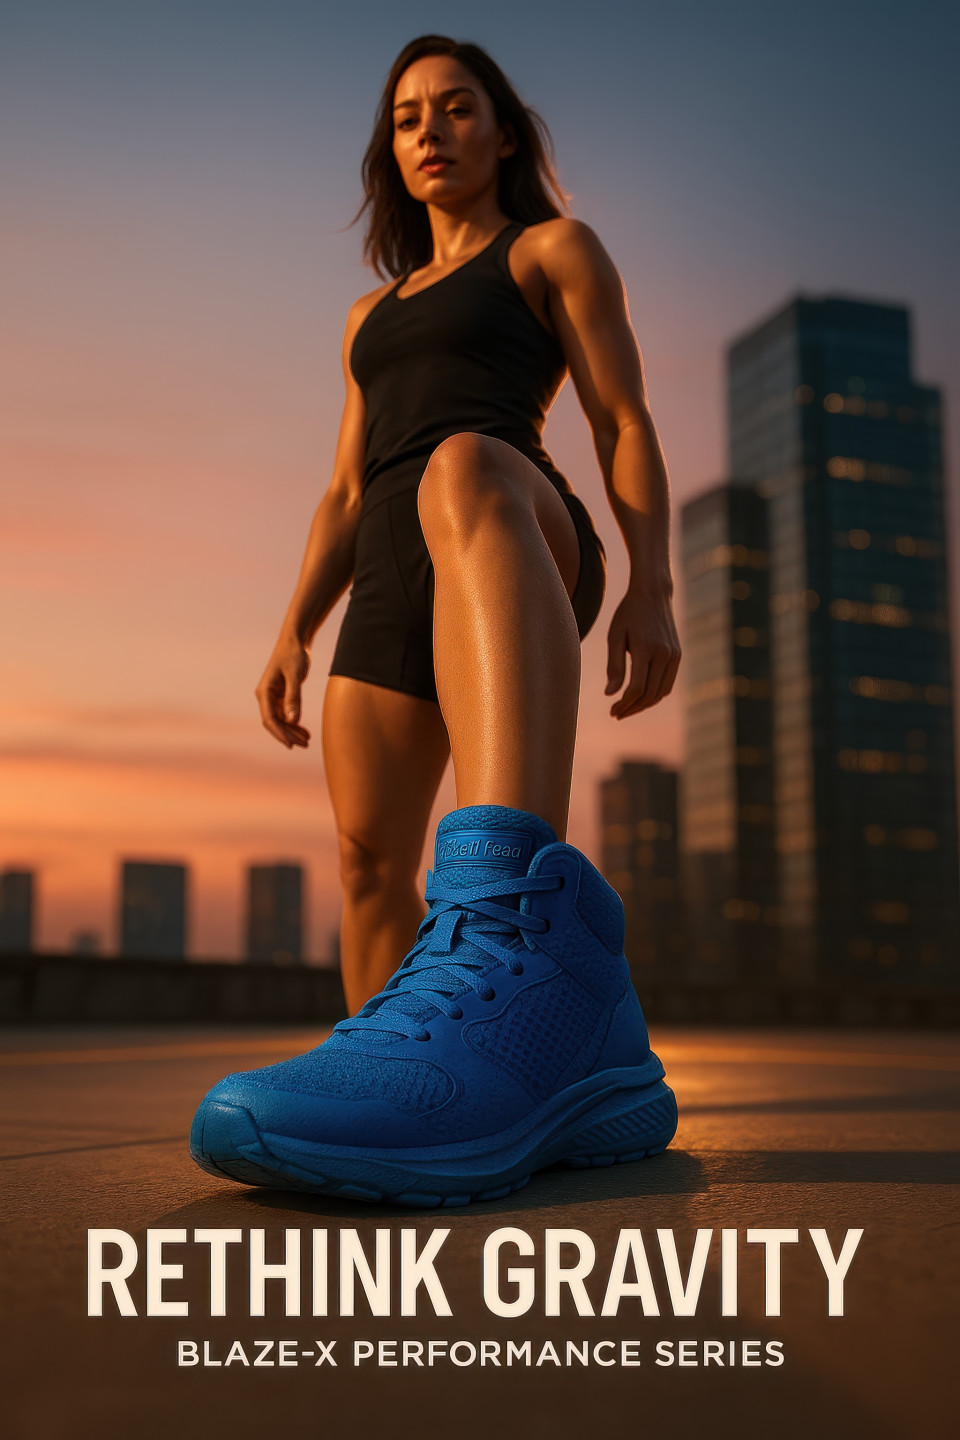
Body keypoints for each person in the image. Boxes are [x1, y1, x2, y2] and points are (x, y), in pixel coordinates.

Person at [190, 34, 681, 1206]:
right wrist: (294, 627)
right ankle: (396, 1097)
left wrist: (652, 582)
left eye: (456, 109)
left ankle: (532, 974)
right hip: (394, 579)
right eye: (408, 117)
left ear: (501, 132)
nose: (430, 132)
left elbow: (622, 417)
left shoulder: (551, 249)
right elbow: (349, 491)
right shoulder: (369, 315)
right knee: (368, 860)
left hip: (513, 517)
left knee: (462, 462)